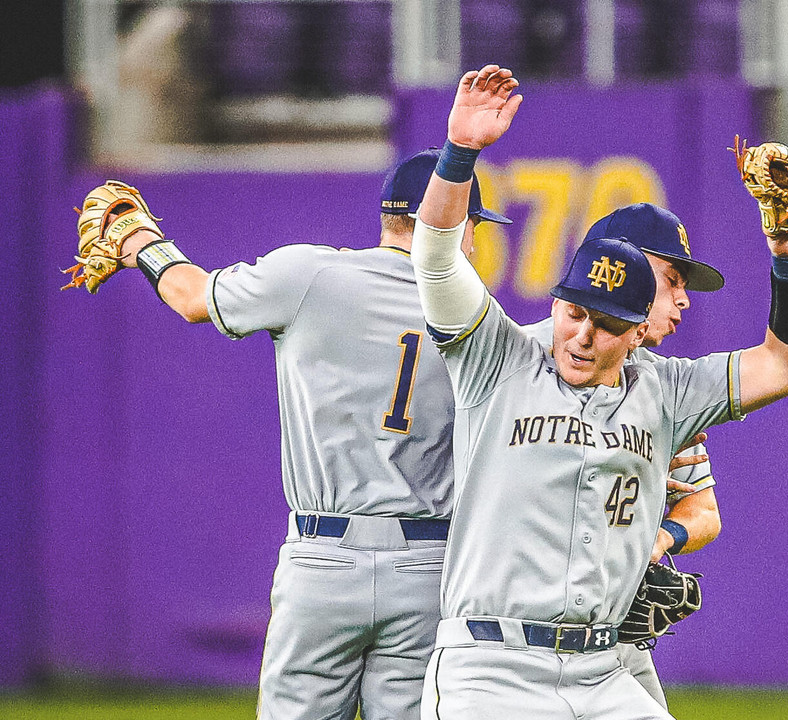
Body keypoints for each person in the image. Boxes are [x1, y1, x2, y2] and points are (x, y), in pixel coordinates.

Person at [411, 64, 788, 719]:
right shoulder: (498, 357)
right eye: (574, 313)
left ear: (636, 332)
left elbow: (787, 366)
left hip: (601, 670)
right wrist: (461, 151)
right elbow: (434, 257)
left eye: (604, 326)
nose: (580, 336)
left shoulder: (667, 389)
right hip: (491, 670)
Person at [112, 148, 512, 720]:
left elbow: (191, 298)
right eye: (473, 225)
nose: (474, 241)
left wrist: (141, 244)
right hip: (428, 567)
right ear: (453, 223)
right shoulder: (472, 314)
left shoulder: (308, 273)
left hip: (324, 559)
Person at [521, 201, 727, 710]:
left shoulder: (659, 389)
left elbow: (704, 513)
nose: (683, 299)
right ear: (619, 265)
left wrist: (655, 543)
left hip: (610, 637)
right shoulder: (517, 365)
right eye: (672, 278)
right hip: (514, 637)